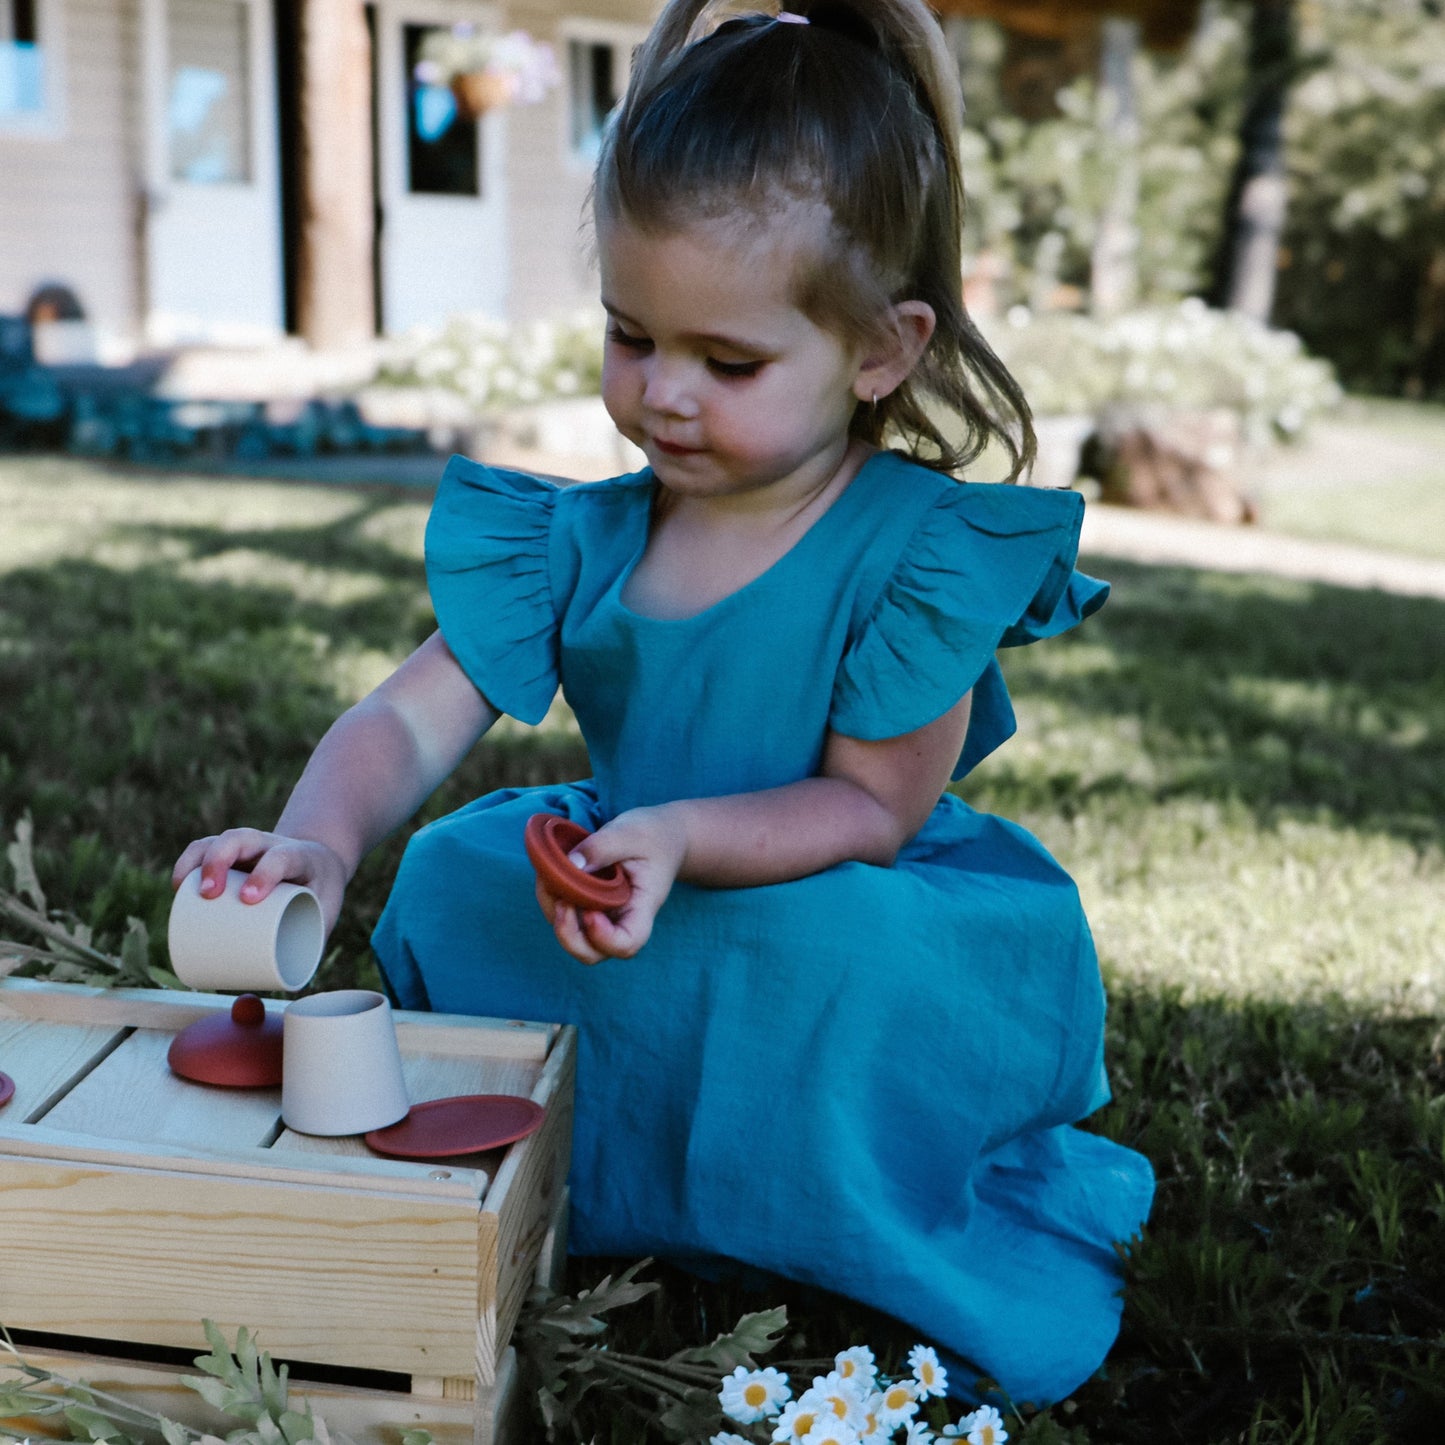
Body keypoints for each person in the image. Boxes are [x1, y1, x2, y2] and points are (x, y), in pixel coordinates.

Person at [174, 0, 1153, 1404]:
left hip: (807, 875)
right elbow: (408, 716)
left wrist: (689, 838)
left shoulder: (918, 550)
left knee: (837, 953)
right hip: (625, 864)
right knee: (455, 874)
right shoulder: (580, 535)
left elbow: (871, 805)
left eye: (728, 361)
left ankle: (810, 1206)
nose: (663, 395)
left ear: (880, 350)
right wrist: (320, 842)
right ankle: (586, 1161)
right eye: (631, 336)